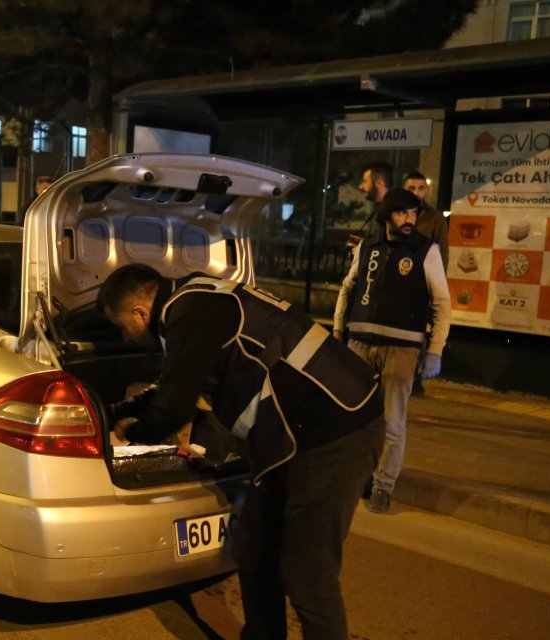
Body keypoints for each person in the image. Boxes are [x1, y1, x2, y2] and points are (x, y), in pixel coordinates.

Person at [99, 265, 383, 640]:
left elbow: (172, 407)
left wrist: (132, 432)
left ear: (140, 312)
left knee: (308, 575)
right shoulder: (194, 300)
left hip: (334, 430)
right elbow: (172, 386)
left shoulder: (189, 312)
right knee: (255, 552)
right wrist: (114, 413)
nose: (125, 336)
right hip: (291, 438)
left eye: (122, 327)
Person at [333, 188, 450, 514]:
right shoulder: (368, 245)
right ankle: (360, 478)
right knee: (354, 417)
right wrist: (338, 328)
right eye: (403, 213)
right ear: (388, 215)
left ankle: (383, 487)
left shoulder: (426, 251)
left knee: (392, 423)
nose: (410, 219)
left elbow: (442, 304)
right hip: (359, 344)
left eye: (414, 213)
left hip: (402, 350)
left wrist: (435, 350)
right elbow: (348, 287)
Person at [403, 171, 448, 396]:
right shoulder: (399, 215)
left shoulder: (435, 218)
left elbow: (442, 253)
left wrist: (437, 286)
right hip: (401, 280)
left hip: (424, 282)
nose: (417, 192)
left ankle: (417, 377)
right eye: (412, 188)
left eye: (421, 188)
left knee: (421, 330)